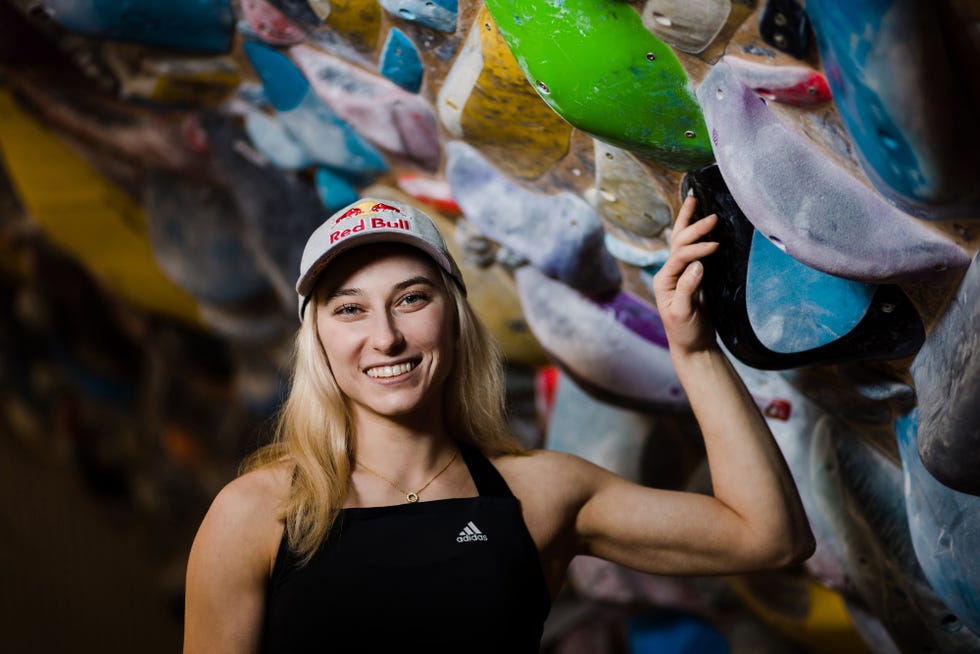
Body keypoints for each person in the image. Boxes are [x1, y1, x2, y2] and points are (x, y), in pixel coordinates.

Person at [183, 196, 814, 653]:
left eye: (411, 298)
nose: (386, 337)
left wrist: (694, 349)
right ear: (318, 338)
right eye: (350, 309)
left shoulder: (536, 496)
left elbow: (765, 536)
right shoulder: (257, 515)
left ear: (454, 317)